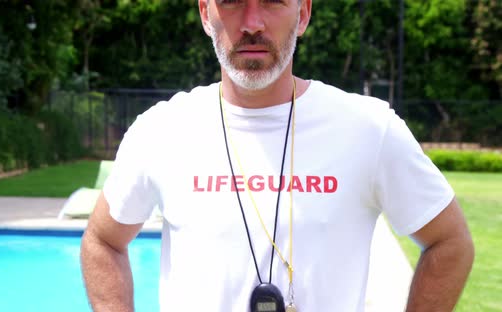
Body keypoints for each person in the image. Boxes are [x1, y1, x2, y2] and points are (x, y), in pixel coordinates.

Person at [80, 0, 474, 311]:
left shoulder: (368, 129)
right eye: (232, 1)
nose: (252, 22)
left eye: (272, 1)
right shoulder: (161, 130)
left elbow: (450, 242)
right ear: (205, 13)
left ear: (303, 13)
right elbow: (102, 241)